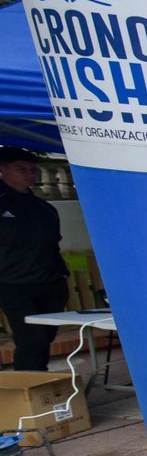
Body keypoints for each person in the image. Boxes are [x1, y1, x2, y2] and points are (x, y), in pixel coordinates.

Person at [0, 148, 69, 371]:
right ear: (3, 169)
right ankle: (31, 393)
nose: (29, 175)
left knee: (45, 338)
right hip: (14, 284)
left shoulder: (44, 208)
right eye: (21, 169)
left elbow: (53, 243)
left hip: (50, 282)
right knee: (31, 340)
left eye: (32, 170)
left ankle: (40, 385)